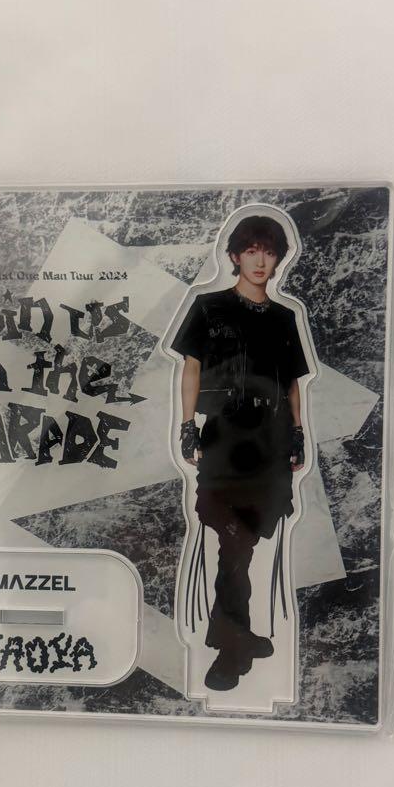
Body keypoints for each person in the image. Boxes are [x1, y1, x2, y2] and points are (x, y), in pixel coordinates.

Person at [170, 213, 309, 691]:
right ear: (234, 256)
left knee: (241, 548)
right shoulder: (209, 307)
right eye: (251, 250)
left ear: (278, 258)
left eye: (269, 251)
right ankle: (232, 646)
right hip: (225, 441)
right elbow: (191, 369)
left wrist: (298, 433)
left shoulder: (284, 318)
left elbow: (291, 383)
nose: (260, 260)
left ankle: (234, 635)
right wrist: (187, 426)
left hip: (270, 444)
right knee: (233, 546)